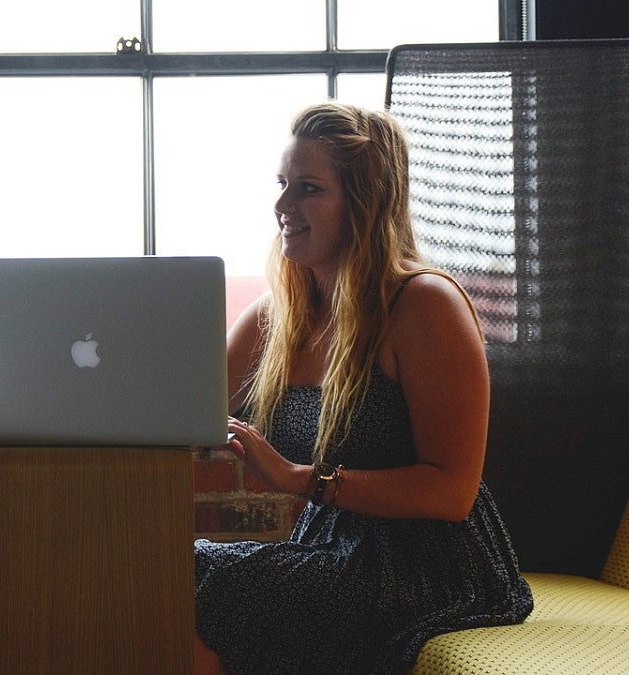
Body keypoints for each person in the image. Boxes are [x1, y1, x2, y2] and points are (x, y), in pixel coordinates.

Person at [193, 102, 533, 674]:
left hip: (430, 570)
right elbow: (178, 415)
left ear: (364, 203)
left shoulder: (424, 306)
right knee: (163, 574)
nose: (282, 207)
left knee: (205, 596)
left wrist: (299, 478)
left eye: (307, 189)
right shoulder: (278, 319)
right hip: (326, 551)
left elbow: (452, 493)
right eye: (282, 185)